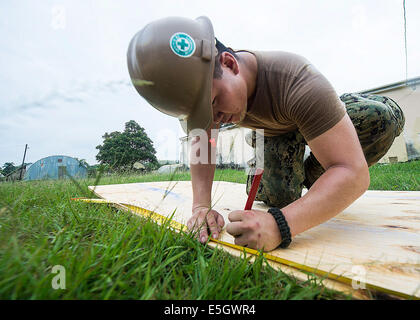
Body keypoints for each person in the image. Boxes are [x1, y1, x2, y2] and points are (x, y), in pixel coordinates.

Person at [127, 16, 405, 251]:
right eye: (204, 116)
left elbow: (354, 174)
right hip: (276, 134)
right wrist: (201, 207)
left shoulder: (298, 81)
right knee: (281, 198)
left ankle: (323, 163)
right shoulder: (204, 93)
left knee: (382, 120)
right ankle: (302, 174)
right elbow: (204, 144)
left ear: (230, 64)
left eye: (213, 104)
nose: (215, 121)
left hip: (315, 119)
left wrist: (279, 225)